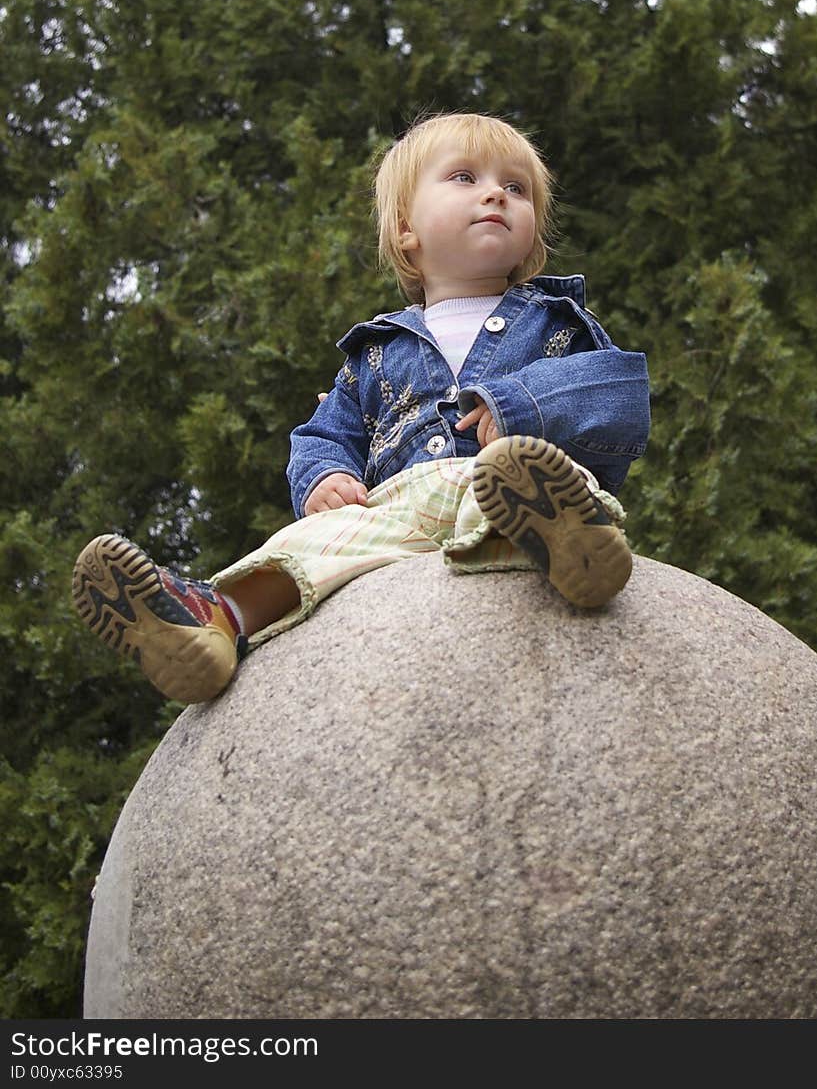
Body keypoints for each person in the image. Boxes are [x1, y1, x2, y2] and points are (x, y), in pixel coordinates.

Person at [72, 112, 650, 704]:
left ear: (532, 230)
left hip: (507, 481)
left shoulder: (556, 321)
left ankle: (572, 547)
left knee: (538, 482)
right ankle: (215, 622)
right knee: (314, 544)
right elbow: (323, 433)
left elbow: (617, 394)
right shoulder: (373, 355)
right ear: (407, 230)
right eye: (463, 177)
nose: (496, 193)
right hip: (400, 508)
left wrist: (518, 407)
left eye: (517, 188)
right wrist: (325, 477)